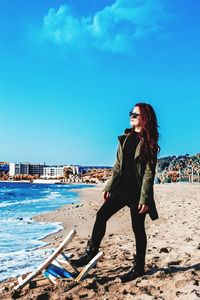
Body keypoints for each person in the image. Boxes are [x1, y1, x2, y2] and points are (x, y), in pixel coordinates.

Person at [71, 102, 160, 283]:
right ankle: (90, 253)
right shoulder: (125, 138)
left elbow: (149, 174)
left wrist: (145, 198)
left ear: (144, 118)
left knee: (138, 229)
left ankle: (139, 267)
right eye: (131, 113)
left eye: (135, 114)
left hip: (136, 192)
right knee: (101, 215)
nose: (131, 116)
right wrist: (109, 187)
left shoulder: (149, 143)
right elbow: (118, 167)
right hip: (121, 189)